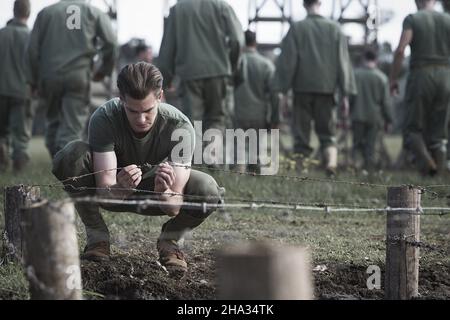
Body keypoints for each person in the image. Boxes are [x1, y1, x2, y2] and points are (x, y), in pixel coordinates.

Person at [52, 62, 222, 277]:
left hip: (158, 193)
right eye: (133, 111)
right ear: (121, 98)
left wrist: (164, 192)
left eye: (148, 111)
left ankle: (170, 240)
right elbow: (106, 195)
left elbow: (173, 207)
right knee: (71, 156)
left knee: (207, 188)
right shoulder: (104, 117)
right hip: (116, 187)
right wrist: (121, 187)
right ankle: (98, 238)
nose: (141, 119)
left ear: (160, 96)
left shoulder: (180, 127)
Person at [273, 0, 357, 177]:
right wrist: (345, 94)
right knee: (328, 134)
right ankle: (331, 165)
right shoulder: (335, 29)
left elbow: (288, 62)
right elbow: (343, 63)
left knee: (301, 135)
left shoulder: (297, 28)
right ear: (320, 3)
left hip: (302, 89)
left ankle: (301, 171)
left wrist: (282, 90)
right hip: (327, 90)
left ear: (304, 5)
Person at [157, 0, 244, 165]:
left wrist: (165, 79)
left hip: (189, 74)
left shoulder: (178, 9)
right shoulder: (221, 6)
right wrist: (232, 67)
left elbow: (167, 47)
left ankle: (194, 165)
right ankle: (213, 163)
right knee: (217, 119)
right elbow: (237, 40)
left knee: (192, 122)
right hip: (219, 71)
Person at [26, 0, 117, 157]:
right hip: (78, 75)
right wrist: (104, 70)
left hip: (49, 76)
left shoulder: (46, 13)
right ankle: (65, 167)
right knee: (72, 126)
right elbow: (111, 43)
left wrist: (33, 80)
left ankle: (56, 158)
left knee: (53, 121)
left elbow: (32, 51)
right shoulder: (93, 12)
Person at [390, 0, 450, 175]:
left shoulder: (412, 19)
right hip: (446, 76)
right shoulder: (447, 19)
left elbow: (401, 50)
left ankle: (428, 166)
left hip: (421, 75)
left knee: (413, 129)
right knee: (439, 132)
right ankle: (438, 174)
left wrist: (393, 79)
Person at [233, 30, 279, 173]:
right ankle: (255, 171)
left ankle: (237, 173)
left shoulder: (234, 64)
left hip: (237, 112)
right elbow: (275, 94)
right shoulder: (267, 65)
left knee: (238, 149)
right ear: (255, 43)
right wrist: (275, 117)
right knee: (258, 150)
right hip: (259, 114)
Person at [0, 0, 32, 172]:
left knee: (1, 133)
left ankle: (1, 166)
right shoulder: (32, 37)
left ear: (13, 11)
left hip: (1, 90)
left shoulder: (2, 33)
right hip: (22, 92)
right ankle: (19, 171)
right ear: (28, 13)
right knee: (21, 136)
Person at [351, 49, 393, 172]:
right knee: (371, 146)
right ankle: (369, 170)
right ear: (376, 60)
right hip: (375, 117)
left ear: (364, 59)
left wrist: (346, 113)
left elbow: (350, 97)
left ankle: (356, 169)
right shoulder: (382, 78)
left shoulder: (355, 75)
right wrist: (389, 120)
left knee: (357, 144)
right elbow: (385, 102)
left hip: (357, 115)